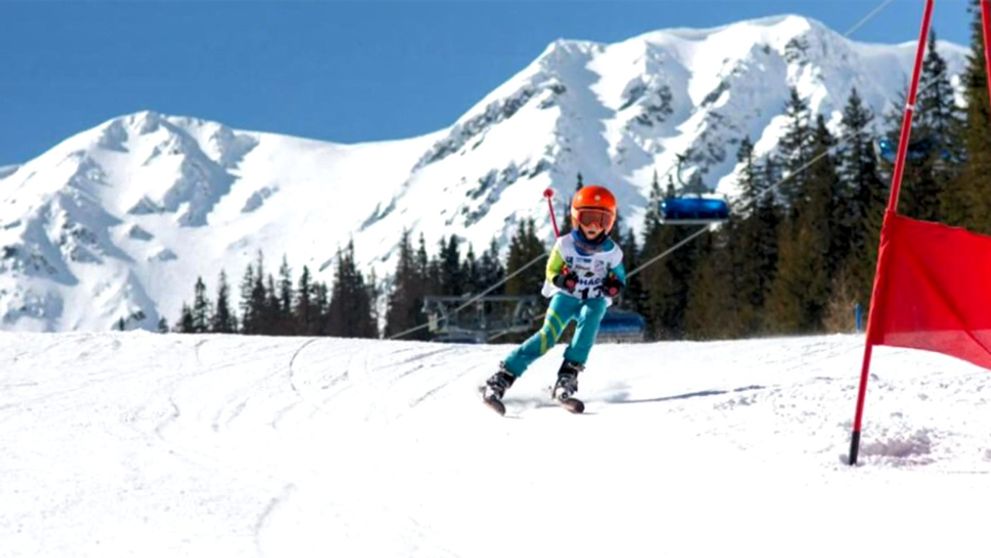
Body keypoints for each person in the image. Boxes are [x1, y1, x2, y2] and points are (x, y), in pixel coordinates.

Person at [482, 184, 627, 411]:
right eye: (587, 217)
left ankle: (568, 376)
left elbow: (620, 278)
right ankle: (503, 376)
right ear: (576, 218)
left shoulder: (613, 252)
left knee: (591, 318)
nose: (593, 226)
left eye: (601, 220)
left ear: (609, 222)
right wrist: (562, 280)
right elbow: (551, 271)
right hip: (567, 297)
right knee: (547, 337)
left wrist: (613, 287)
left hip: (593, 298)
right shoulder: (565, 245)